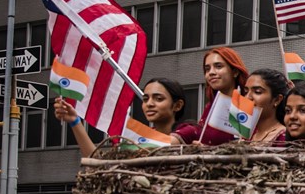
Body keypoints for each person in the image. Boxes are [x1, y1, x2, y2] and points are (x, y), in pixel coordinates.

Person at [55, 77, 187, 156]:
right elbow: (97, 162)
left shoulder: (190, 130)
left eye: (158, 99)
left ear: (177, 105)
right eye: (145, 99)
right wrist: (75, 121)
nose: (149, 104)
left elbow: (165, 144)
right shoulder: (137, 138)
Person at [173, 48, 249, 145]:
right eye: (207, 69)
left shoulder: (245, 106)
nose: (211, 72)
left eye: (218, 66)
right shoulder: (210, 107)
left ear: (235, 72)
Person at [243, 68, 291, 144]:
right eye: (245, 92)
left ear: (277, 100)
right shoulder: (246, 135)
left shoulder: (283, 138)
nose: (247, 97)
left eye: (257, 92)